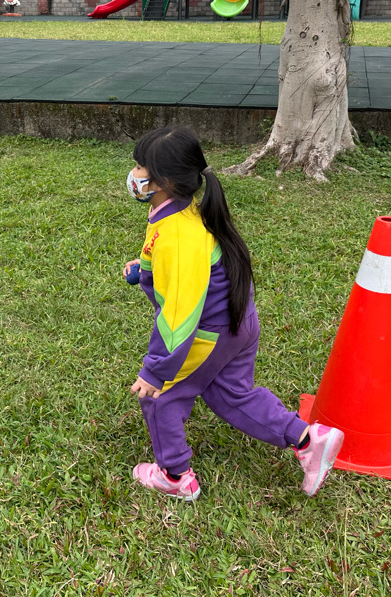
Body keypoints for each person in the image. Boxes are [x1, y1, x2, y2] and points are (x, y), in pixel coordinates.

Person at [122, 126, 344, 501]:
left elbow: (179, 314)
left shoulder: (179, 235)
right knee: (231, 395)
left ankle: (175, 476)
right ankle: (309, 439)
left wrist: (157, 370)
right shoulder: (183, 210)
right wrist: (144, 269)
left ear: (164, 181)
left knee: (160, 397)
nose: (134, 174)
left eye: (141, 166)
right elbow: (180, 265)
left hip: (208, 333)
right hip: (237, 323)